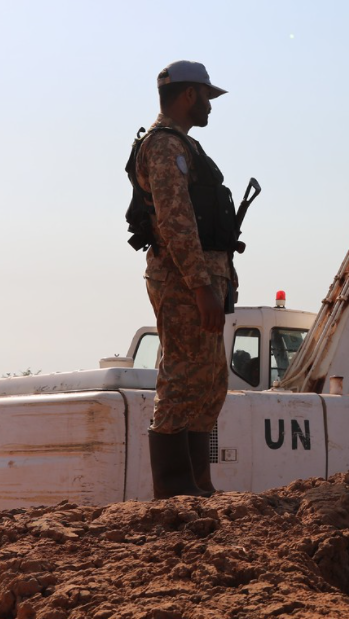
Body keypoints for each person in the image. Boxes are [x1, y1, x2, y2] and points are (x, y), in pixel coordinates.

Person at [130, 60, 237, 498]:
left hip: (202, 277)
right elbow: (175, 220)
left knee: (208, 380)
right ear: (189, 95)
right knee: (181, 377)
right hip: (183, 280)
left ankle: (198, 486)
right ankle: (175, 493)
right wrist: (199, 285)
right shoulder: (163, 146)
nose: (211, 106)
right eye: (207, 97)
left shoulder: (184, 147)